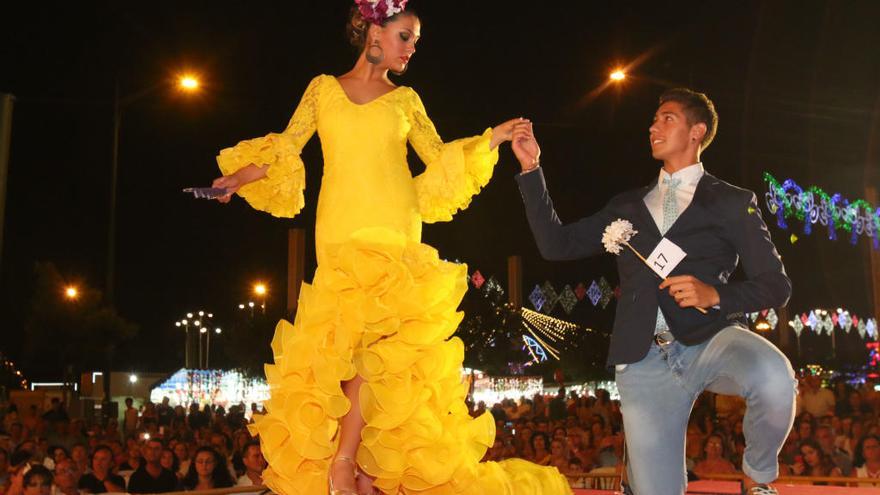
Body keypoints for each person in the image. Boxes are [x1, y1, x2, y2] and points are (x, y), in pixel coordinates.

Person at [210, 1, 570, 494]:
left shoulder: (406, 101)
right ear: (373, 32)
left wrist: (494, 138)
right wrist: (235, 178)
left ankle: (344, 463)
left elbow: (439, 158)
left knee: (378, 353)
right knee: (344, 352)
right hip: (339, 227)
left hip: (395, 224)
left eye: (416, 40)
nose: (412, 48)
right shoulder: (323, 89)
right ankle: (356, 471)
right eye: (405, 36)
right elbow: (286, 148)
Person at [511, 88, 796, 495]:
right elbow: (556, 245)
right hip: (642, 361)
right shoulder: (627, 206)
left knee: (773, 376)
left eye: (666, 118)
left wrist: (715, 294)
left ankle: (758, 476)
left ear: (696, 131)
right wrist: (531, 169)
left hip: (709, 339)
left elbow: (777, 285)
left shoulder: (733, 201)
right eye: (653, 119)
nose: (652, 126)